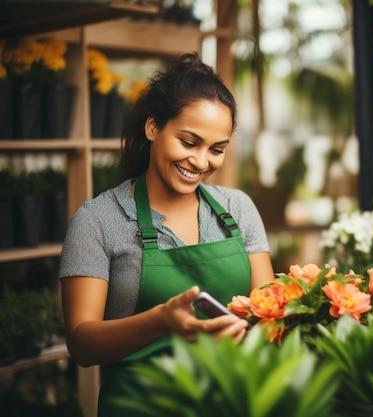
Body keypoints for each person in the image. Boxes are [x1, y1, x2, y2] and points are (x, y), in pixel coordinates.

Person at [59, 52, 275, 416]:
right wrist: (160, 322)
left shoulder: (237, 209)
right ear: (153, 128)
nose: (202, 162)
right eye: (189, 142)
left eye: (216, 149)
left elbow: (267, 314)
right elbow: (81, 344)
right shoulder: (97, 220)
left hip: (235, 401)